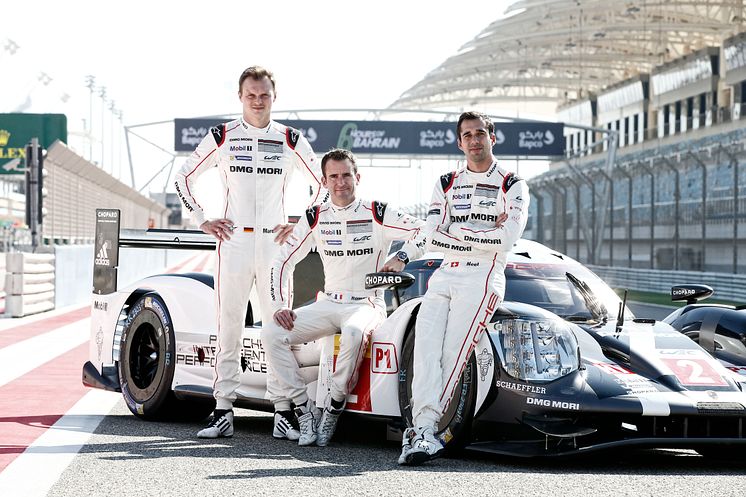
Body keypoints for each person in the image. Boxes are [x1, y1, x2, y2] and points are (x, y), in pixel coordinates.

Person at [174, 66, 326, 439]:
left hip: (274, 246)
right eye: (251, 95)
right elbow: (183, 176)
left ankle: (283, 411)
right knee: (229, 325)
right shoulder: (223, 135)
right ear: (240, 97)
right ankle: (223, 408)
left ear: (275, 97)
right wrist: (201, 219)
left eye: (264, 95)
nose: (258, 101)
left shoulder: (290, 138)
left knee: (278, 325)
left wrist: (301, 224)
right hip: (233, 242)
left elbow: (324, 183)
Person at [262, 148, 426, 447]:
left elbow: (424, 231)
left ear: (357, 177)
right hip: (329, 302)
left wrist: (402, 255)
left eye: (346, 175)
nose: (340, 182)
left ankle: (334, 407)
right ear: (324, 182)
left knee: (352, 332)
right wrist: (277, 306)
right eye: (333, 177)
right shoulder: (315, 216)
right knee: (272, 332)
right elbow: (281, 261)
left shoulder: (377, 211)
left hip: (366, 304)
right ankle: (304, 410)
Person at [398, 111, 529, 466]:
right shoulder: (445, 182)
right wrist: (478, 238)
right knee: (424, 352)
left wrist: (454, 236)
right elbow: (430, 232)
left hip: (483, 276)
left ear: (492, 138)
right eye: (467, 135)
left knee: (451, 356)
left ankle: (427, 432)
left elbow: (507, 238)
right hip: (444, 274)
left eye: (480, 133)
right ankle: (421, 429)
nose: (474, 140)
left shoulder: (512, 183)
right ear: (459, 142)